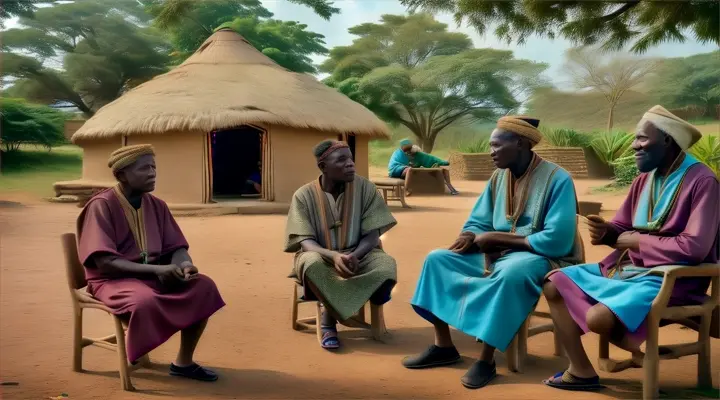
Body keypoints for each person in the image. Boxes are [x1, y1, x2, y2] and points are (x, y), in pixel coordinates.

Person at [542, 105, 720, 391]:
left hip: (674, 280)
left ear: (667, 140)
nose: (634, 146)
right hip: (626, 271)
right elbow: (621, 230)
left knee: (598, 318)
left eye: (641, 139)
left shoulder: (703, 181)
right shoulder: (643, 180)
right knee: (554, 283)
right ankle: (581, 370)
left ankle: (631, 341)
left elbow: (695, 247)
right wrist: (606, 232)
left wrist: (636, 241)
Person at [402, 116, 584, 389]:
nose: (491, 152)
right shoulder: (499, 177)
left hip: (542, 255)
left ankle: (486, 360)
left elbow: (558, 238)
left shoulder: (558, 179)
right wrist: (469, 234)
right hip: (494, 251)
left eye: (497, 145)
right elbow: (480, 220)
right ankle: (444, 346)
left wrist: (498, 238)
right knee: (437, 259)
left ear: (520, 143)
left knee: (510, 272)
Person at [76, 144, 226, 382]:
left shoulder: (157, 205)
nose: (152, 173)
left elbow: (176, 247)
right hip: (112, 281)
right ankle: (138, 348)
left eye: (154, 167)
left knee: (203, 287)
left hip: (152, 276)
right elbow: (104, 262)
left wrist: (185, 264)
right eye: (144, 168)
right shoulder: (102, 206)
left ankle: (183, 363)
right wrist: (156, 269)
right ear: (121, 174)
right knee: (144, 301)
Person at [285, 139, 398, 350]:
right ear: (323, 167)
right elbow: (305, 241)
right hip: (320, 255)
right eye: (341, 160)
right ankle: (329, 321)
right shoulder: (303, 195)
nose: (350, 164)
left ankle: (330, 308)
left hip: (362, 254)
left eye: (351, 159)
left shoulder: (366, 189)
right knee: (311, 264)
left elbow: (373, 235)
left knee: (386, 265)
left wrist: (356, 255)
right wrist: (333, 256)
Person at [388, 138, 459, 195]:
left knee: (444, 170)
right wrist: (407, 166)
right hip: (397, 169)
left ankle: (450, 187)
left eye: (411, 152)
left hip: (409, 171)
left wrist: (443, 162)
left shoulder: (418, 156)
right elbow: (395, 163)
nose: (410, 154)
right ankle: (406, 189)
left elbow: (430, 158)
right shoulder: (398, 153)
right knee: (409, 169)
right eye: (407, 151)